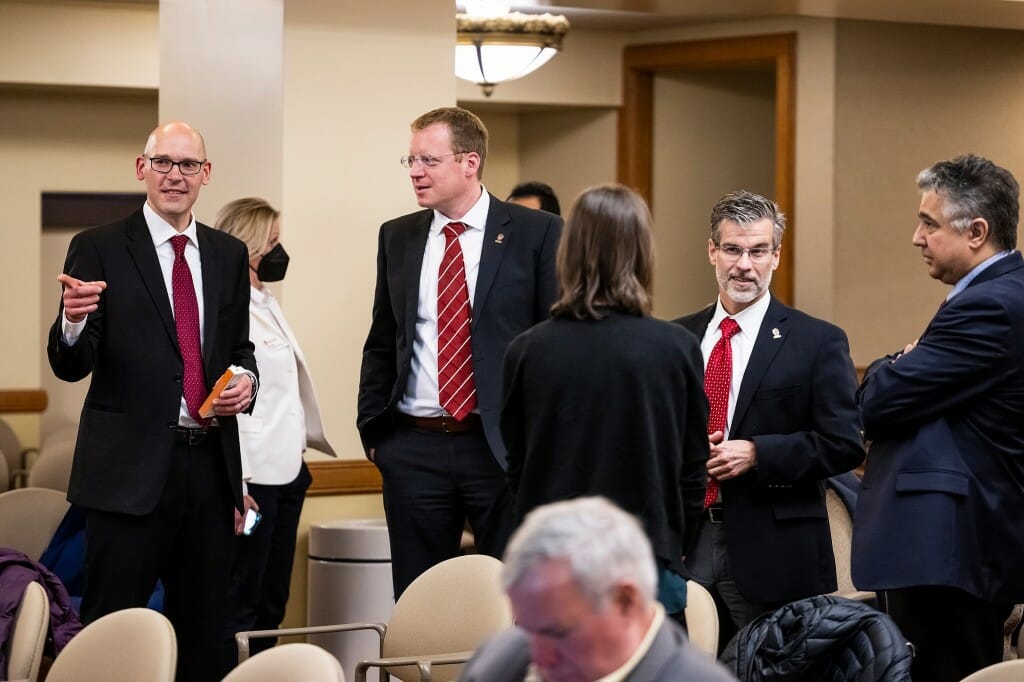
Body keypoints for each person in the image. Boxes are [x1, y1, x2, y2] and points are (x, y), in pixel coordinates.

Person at [47, 121, 258, 682]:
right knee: (113, 633)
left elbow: (239, 348)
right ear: (141, 168)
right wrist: (71, 322)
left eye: (188, 165)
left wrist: (247, 383)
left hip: (209, 469)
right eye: (163, 162)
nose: (175, 176)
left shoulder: (228, 255)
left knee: (204, 633)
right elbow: (71, 365)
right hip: (126, 477)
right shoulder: (98, 247)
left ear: (206, 175)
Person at [357, 106, 562, 598]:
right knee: (419, 600)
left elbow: (554, 343)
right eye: (409, 160)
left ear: (470, 163)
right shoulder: (398, 235)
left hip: (499, 448)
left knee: (510, 598)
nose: (415, 171)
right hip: (414, 446)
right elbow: (383, 338)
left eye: (428, 160)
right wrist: (374, 430)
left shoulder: (537, 233)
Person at [853, 154, 1024, 682]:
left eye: (929, 222)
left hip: (953, 549)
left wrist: (891, 363)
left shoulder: (993, 304)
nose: (916, 236)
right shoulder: (991, 295)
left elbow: (877, 402)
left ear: (977, 231)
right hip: (954, 548)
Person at [501, 183, 708, 619]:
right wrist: (674, 545)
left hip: (553, 566)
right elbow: (692, 471)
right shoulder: (675, 348)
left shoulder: (527, 350)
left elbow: (516, 467)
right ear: (642, 253)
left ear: (568, 253)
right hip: (648, 562)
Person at [674, 190, 864, 640]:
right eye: (733, 250)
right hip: (685, 543)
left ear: (776, 256)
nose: (745, 265)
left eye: (758, 251)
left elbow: (844, 443)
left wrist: (759, 453)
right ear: (712, 252)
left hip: (773, 549)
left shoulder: (817, 342)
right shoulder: (675, 338)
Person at [213, 197, 337, 675]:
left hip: (289, 475)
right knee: (240, 600)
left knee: (272, 600)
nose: (280, 251)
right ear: (249, 246)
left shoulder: (265, 302)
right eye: (273, 242)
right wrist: (236, 486)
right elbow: (229, 405)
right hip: (254, 483)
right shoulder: (230, 309)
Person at [459, 497, 735, 682]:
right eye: (526, 628)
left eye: (558, 633)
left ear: (625, 601)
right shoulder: (502, 659)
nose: (539, 657)